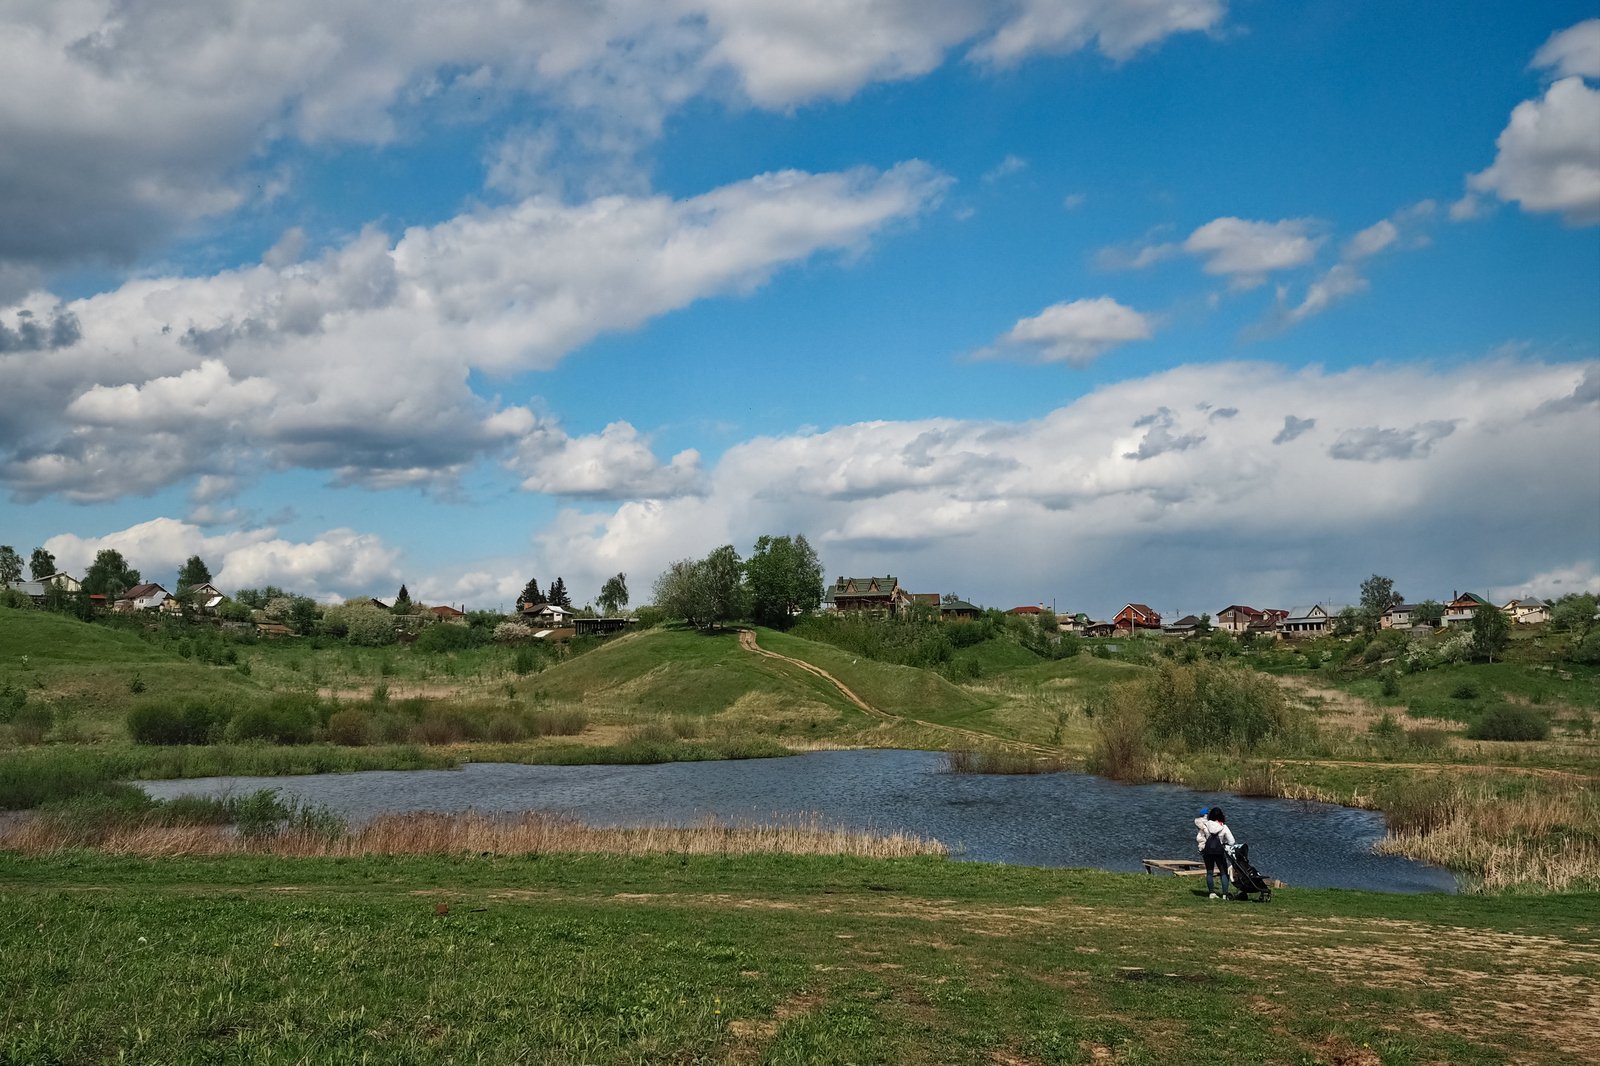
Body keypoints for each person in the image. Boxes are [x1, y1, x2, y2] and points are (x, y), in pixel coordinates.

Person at [1193, 806, 1235, 899]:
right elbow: (1232, 841)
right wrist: (1224, 842)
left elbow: (1199, 837)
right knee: (1223, 872)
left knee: (1209, 872)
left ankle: (1211, 893)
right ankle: (1225, 894)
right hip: (1219, 852)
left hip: (1207, 851)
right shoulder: (1223, 827)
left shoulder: (1205, 825)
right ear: (1221, 816)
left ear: (1210, 815)